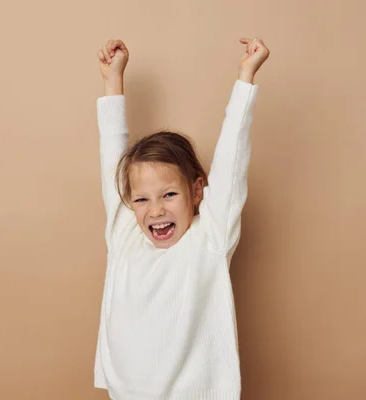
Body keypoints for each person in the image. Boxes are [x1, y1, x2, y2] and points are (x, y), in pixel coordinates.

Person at [94, 37, 270, 400]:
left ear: (197, 191)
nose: (155, 210)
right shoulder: (125, 233)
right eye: (141, 199)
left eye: (169, 195)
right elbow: (112, 154)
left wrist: (245, 77)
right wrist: (113, 81)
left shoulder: (210, 239)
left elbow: (231, 160)